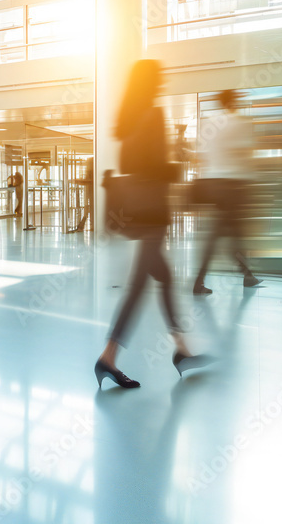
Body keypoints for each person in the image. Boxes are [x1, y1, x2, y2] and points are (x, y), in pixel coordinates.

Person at [94, 59, 209, 390]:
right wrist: (178, 165)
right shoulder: (154, 114)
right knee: (140, 286)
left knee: (164, 277)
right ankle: (109, 357)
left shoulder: (126, 120)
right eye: (159, 78)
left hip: (137, 211)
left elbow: (133, 165)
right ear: (151, 82)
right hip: (153, 213)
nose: (163, 82)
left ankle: (181, 350)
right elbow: (157, 167)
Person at [192, 89, 261, 295]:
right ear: (234, 102)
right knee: (225, 234)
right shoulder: (241, 123)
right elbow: (246, 153)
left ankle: (247, 274)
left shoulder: (210, 123)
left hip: (213, 185)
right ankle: (201, 281)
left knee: (228, 233)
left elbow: (201, 155)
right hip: (233, 186)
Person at [70, 157, 94, 232]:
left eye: (88, 163)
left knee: (89, 210)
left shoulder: (92, 171)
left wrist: (77, 181)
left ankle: (83, 226)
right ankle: (83, 226)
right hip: (89, 193)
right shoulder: (90, 172)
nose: (86, 165)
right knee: (88, 210)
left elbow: (89, 181)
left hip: (92, 193)